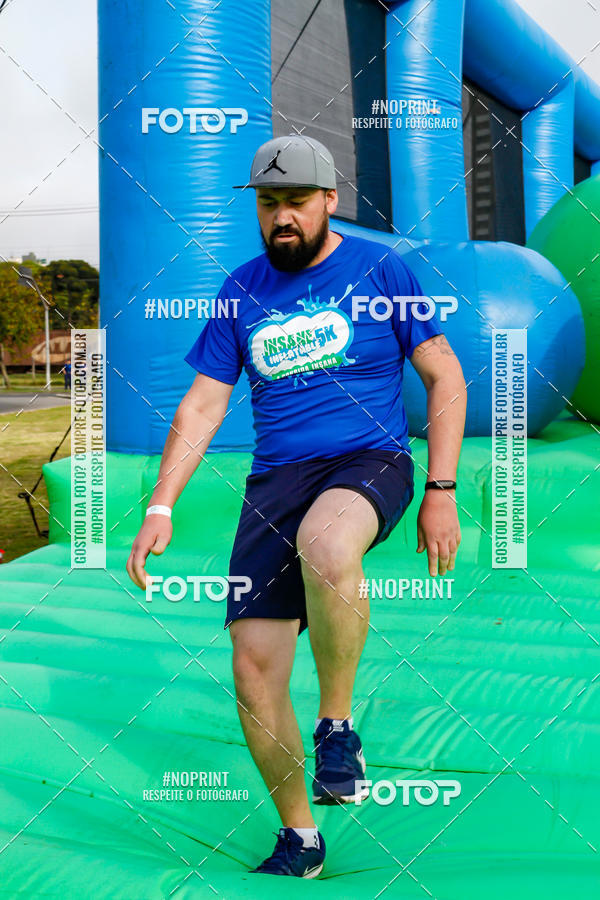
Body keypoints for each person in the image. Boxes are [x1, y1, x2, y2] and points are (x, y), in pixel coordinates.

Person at [126, 135, 466, 879]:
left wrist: (441, 490)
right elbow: (204, 404)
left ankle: (336, 725)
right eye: (269, 203)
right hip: (276, 480)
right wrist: (160, 507)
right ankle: (301, 838)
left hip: (367, 461)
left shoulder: (380, 269)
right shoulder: (240, 290)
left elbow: (446, 378)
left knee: (327, 544)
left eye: (296, 202)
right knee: (252, 667)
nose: (282, 217)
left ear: (329, 201)